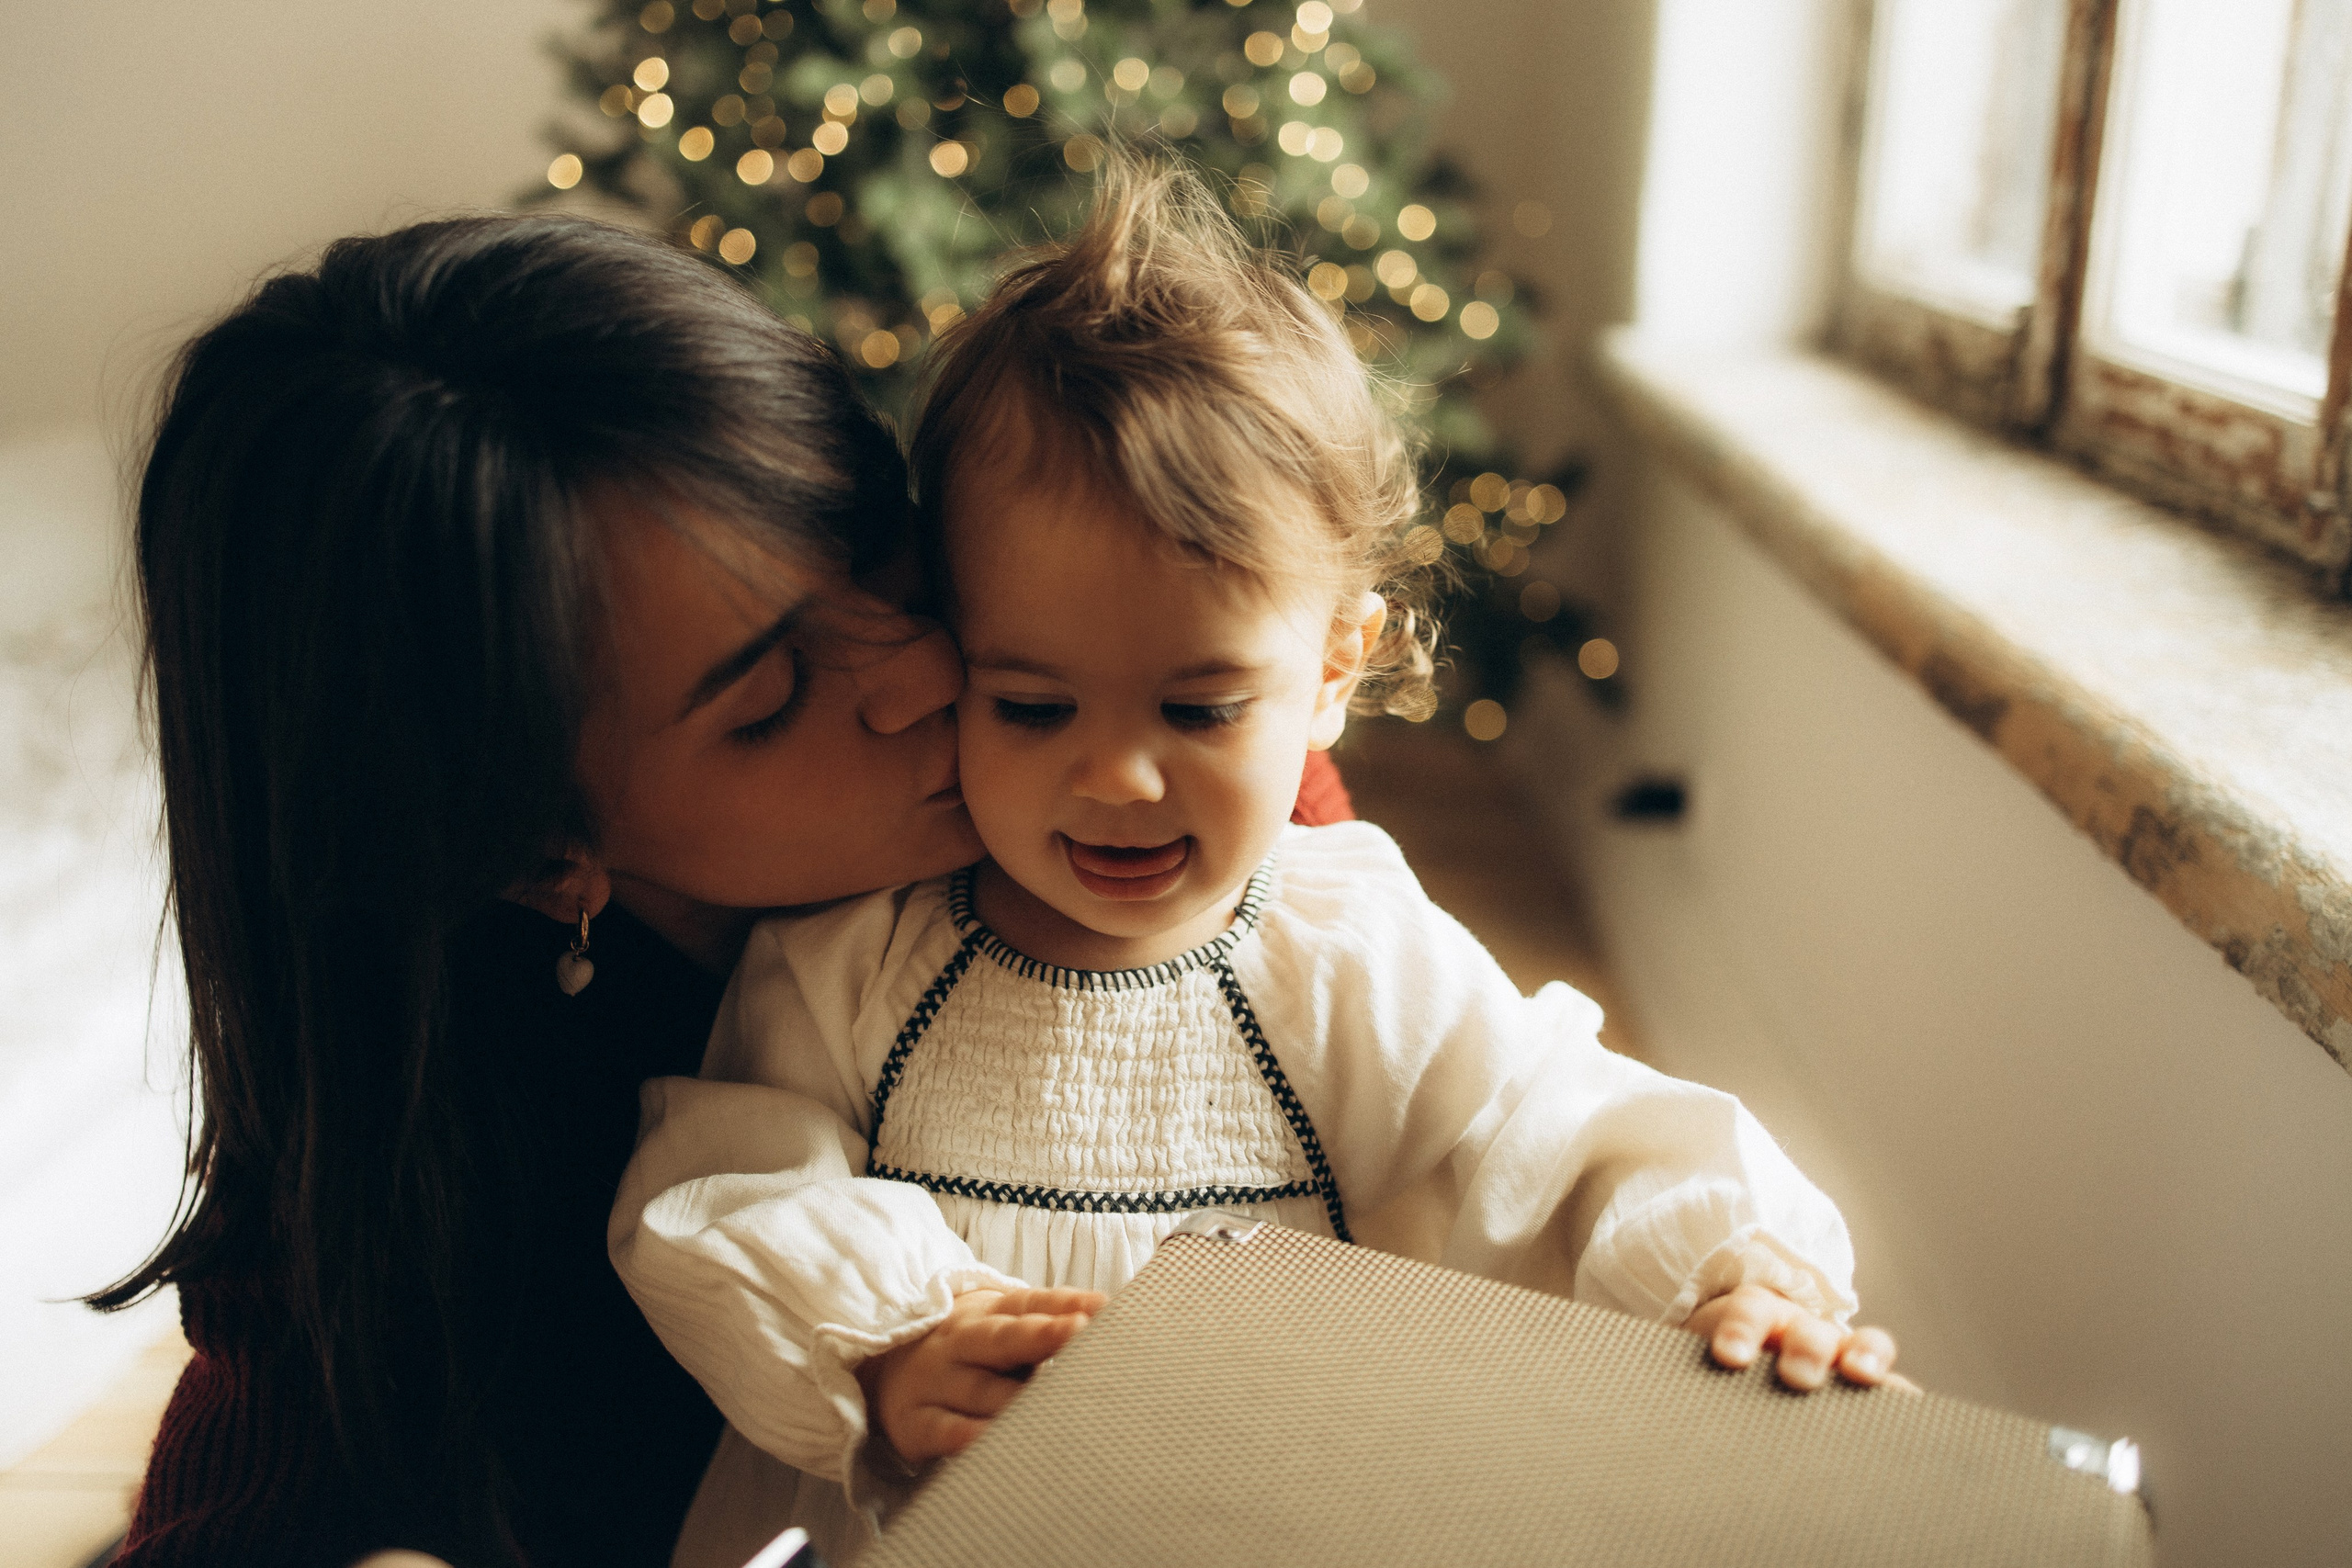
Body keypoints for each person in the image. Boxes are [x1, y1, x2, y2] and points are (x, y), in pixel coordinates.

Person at [609, 164, 1900, 1565]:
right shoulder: (853, 956)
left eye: (1200, 709)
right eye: (1032, 706)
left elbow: (1573, 1132)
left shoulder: (1350, 952)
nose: (1116, 779)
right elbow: (720, 1189)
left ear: (1337, 665)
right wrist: (883, 1341)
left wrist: (1738, 1267)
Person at [101, 211, 1365, 1567]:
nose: (931, 675)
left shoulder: (1173, 802)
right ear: (543, 856)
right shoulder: (406, 1163)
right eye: (771, 697)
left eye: (891, 557)